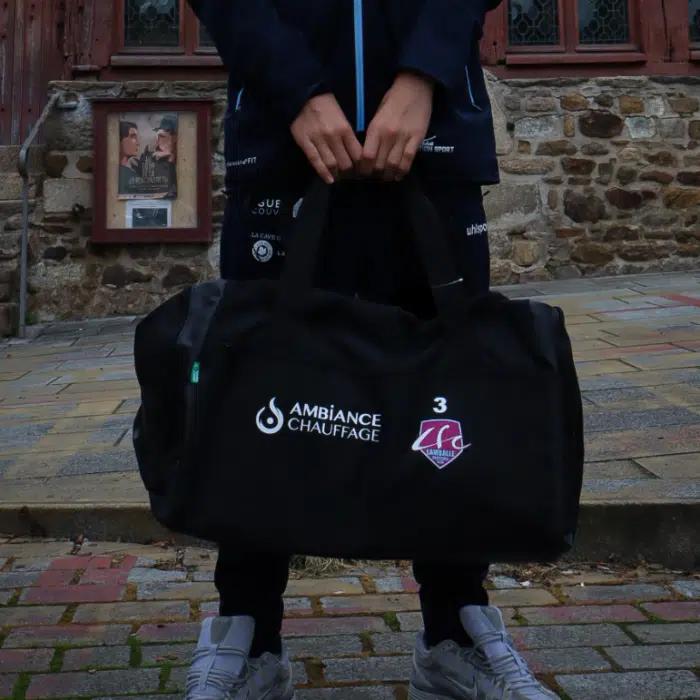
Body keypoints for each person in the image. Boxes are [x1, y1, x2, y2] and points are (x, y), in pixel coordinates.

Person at [185, 1, 559, 699]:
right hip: (284, 139)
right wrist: (296, 87)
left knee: (450, 394)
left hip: (432, 136)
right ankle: (249, 636)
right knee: (260, 392)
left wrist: (421, 77)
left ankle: (454, 633)